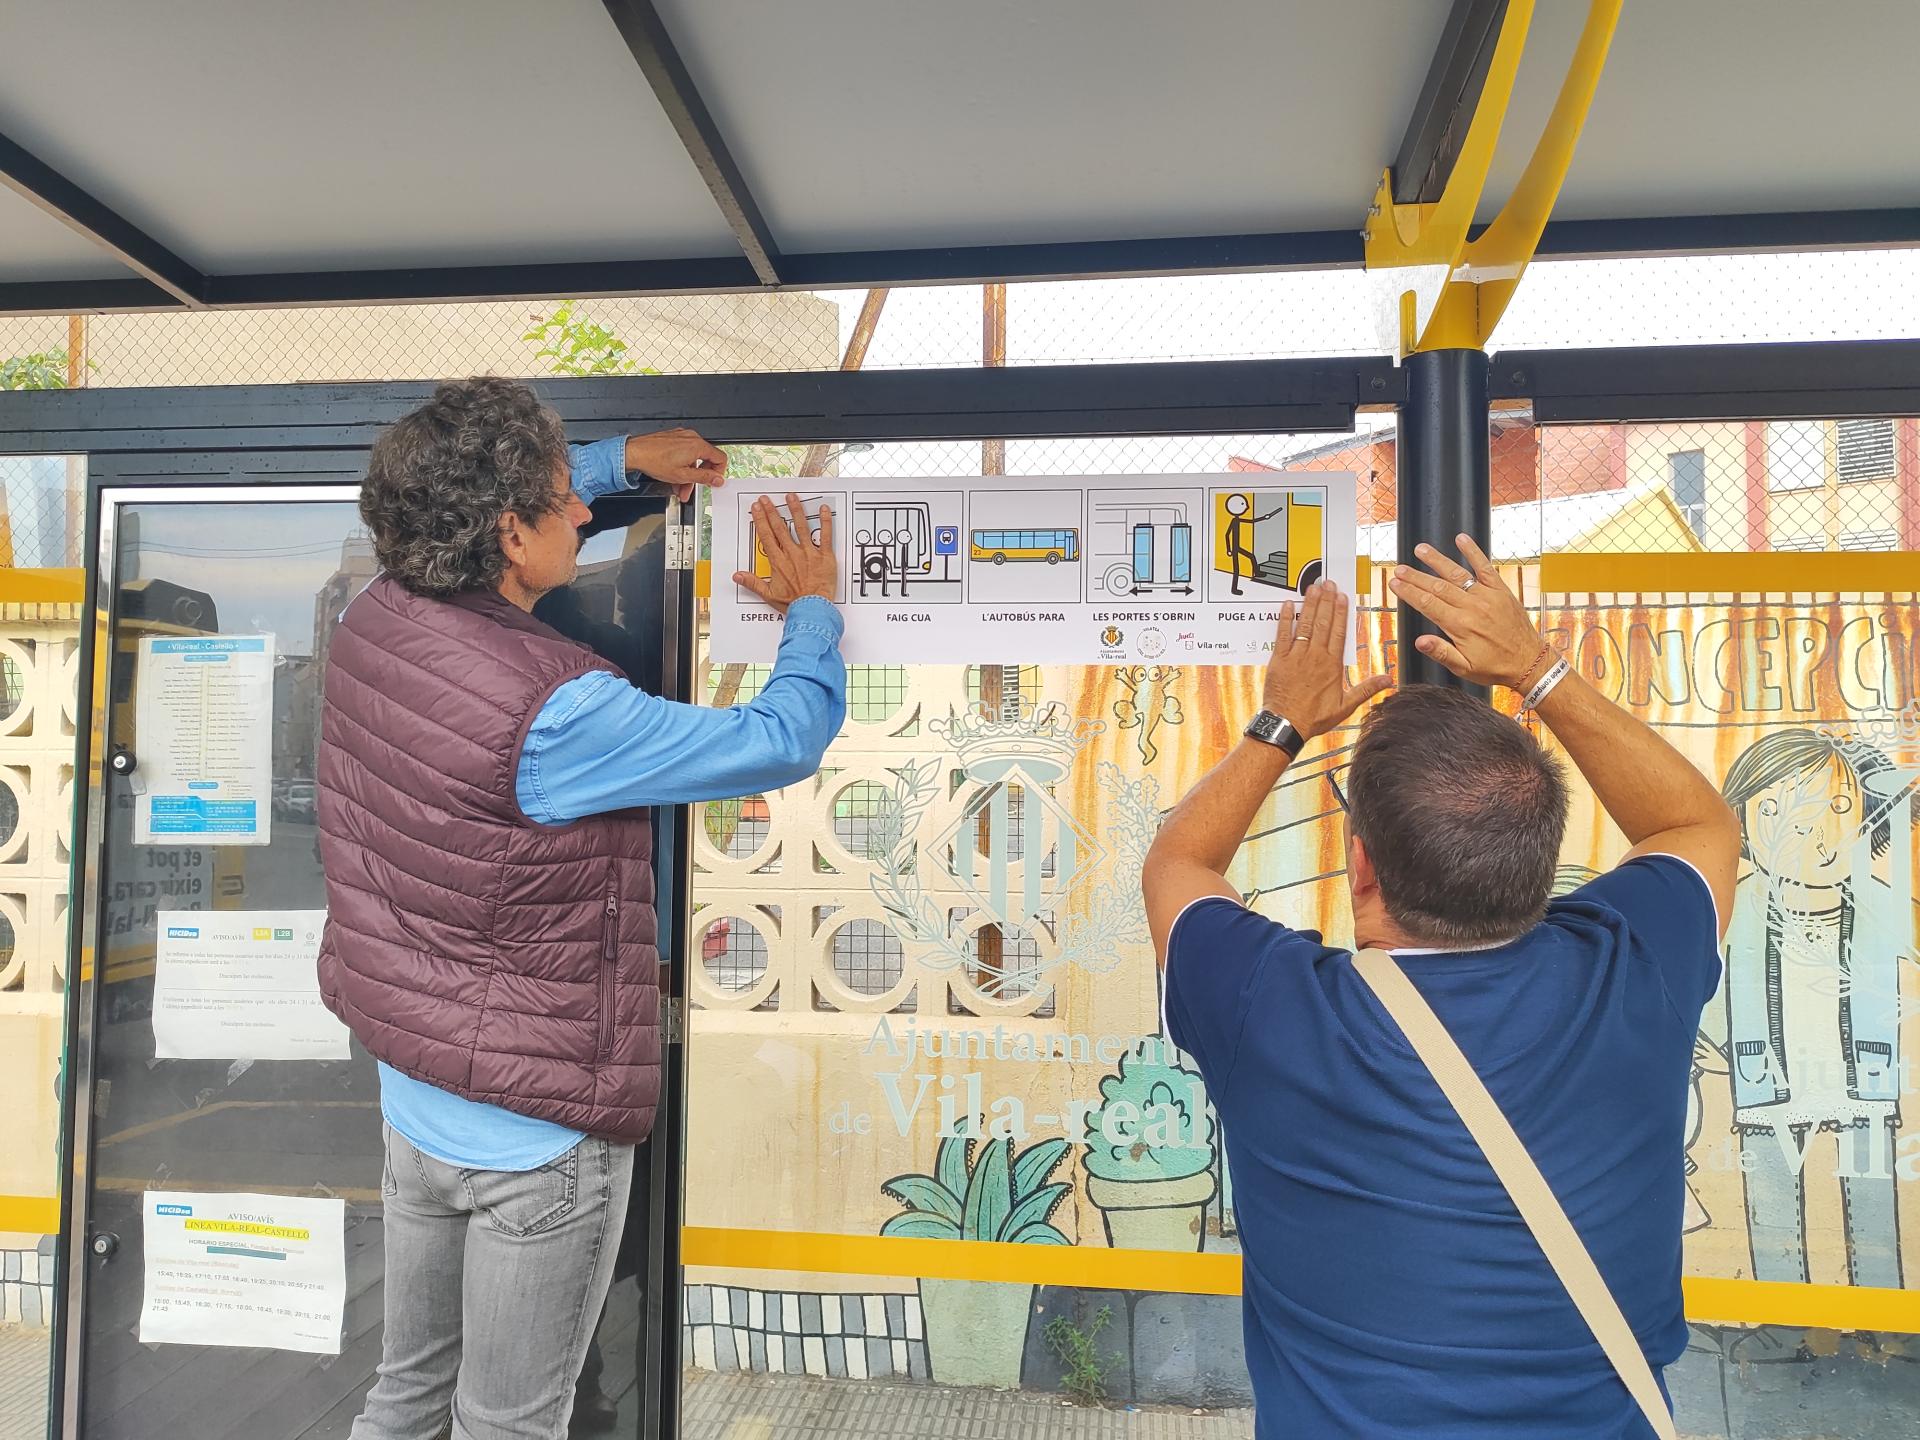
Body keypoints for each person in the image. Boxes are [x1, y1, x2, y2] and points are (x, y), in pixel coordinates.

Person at [316, 376, 845, 1440]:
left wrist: (619, 463)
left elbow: (479, 505)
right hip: (534, 1141)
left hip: (415, 1099)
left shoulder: (372, 617)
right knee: (508, 1422)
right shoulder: (558, 711)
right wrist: (815, 609)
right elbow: (778, 739)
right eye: (566, 497)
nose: (583, 510)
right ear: (510, 535)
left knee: (404, 1395)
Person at [1143, 537, 1740, 1437]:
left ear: (1360, 868)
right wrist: (1537, 671)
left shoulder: (1269, 1008)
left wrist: (1283, 720)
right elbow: (1696, 824)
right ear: (1541, 863)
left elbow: (1177, 862)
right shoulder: (1630, 969)